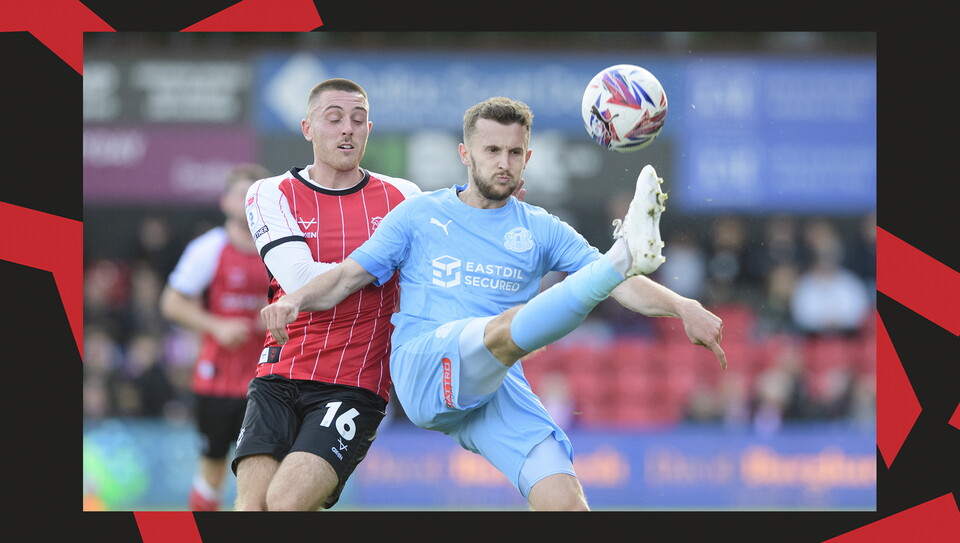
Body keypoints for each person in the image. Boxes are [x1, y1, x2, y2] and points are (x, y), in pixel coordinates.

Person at [261, 97, 726, 511]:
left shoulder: (541, 228)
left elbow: (622, 288)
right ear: (465, 155)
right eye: (491, 151)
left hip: (495, 382)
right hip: (425, 362)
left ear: (528, 158)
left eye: (514, 152)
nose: (504, 163)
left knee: (565, 502)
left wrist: (683, 306)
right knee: (504, 328)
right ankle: (620, 254)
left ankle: (619, 257)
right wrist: (294, 301)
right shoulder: (420, 214)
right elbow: (346, 276)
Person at [232, 78, 424, 511]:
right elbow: (298, 279)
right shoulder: (269, 192)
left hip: (354, 383)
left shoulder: (403, 198)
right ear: (307, 128)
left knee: (284, 503)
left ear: (368, 130)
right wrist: (378, 268)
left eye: (358, 121)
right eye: (334, 119)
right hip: (279, 373)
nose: (347, 130)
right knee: (251, 506)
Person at [159, 162, 272, 511]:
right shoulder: (209, 249)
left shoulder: (280, 249)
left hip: (269, 381)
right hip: (217, 380)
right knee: (213, 469)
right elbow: (171, 303)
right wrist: (217, 326)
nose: (248, 202)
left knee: (265, 474)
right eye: (242, 194)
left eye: (256, 195)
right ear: (225, 203)